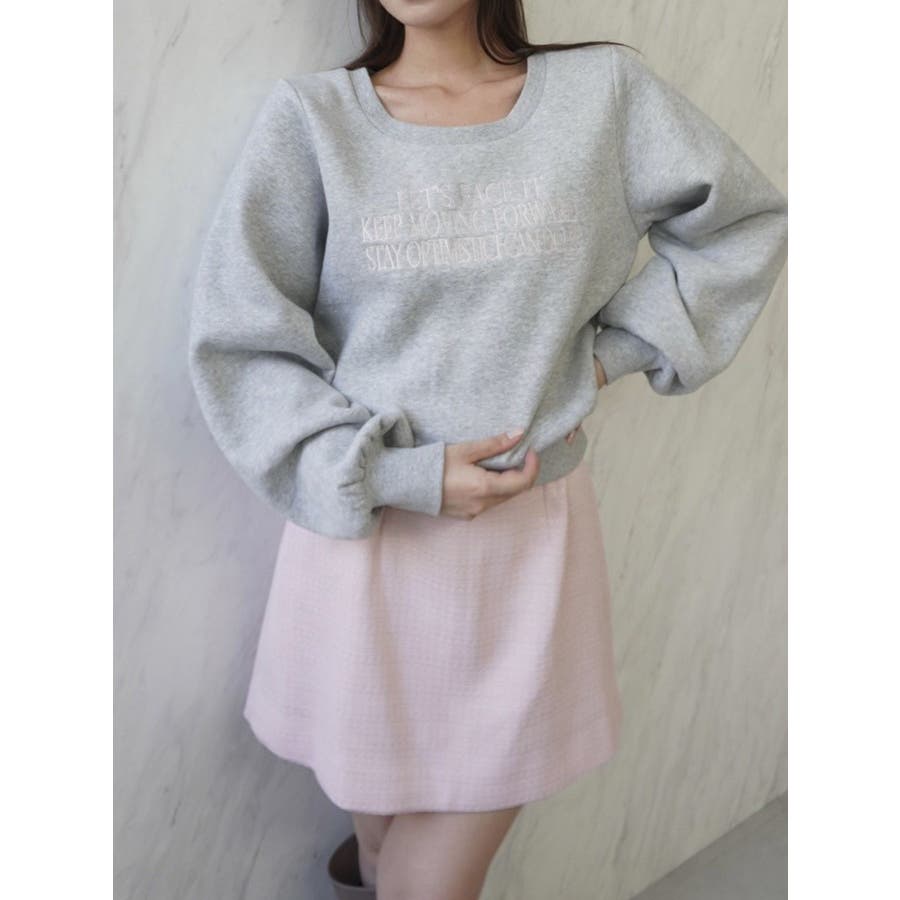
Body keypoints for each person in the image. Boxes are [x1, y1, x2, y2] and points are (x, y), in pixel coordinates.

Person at [187, 0, 788, 897]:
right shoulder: (312, 121)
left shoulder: (601, 98)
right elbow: (240, 344)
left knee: (432, 876)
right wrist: (397, 472)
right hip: (366, 538)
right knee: (382, 839)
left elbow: (741, 225)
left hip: (525, 546)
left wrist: (604, 358)